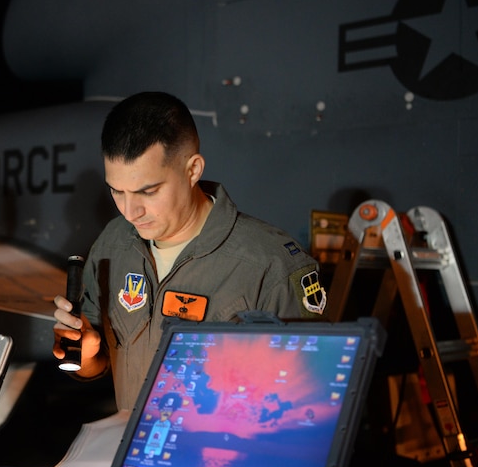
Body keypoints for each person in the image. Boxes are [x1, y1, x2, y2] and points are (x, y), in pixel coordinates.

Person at [53, 91, 326, 410]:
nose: (130, 211)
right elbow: (96, 362)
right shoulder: (113, 244)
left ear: (193, 169)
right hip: (128, 451)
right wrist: (86, 354)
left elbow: (306, 404)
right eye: (117, 191)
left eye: (148, 191)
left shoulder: (271, 267)